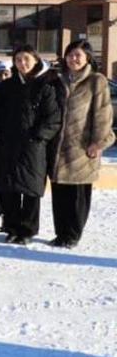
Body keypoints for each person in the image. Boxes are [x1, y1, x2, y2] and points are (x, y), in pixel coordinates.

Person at [0, 46, 61, 245]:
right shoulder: (5, 87)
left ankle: (28, 230)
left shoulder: (44, 86)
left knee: (30, 190)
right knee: (8, 188)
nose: (23, 63)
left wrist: (38, 137)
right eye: (19, 59)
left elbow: (53, 118)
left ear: (35, 60)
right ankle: (12, 227)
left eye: (26, 59)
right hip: (7, 145)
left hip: (33, 147)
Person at [49, 40, 114, 249]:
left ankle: (73, 234)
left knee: (77, 196)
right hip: (58, 147)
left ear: (87, 58)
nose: (73, 59)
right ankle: (61, 233)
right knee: (59, 193)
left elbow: (103, 114)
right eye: (70, 55)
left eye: (78, 55)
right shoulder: (59, 80)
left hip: (82, 148)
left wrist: (98, 142)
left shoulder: (96, 81)